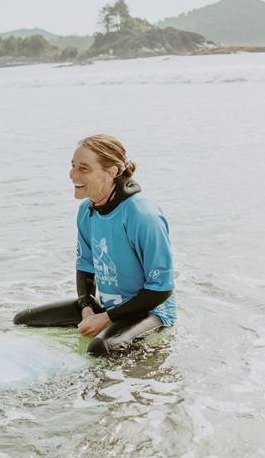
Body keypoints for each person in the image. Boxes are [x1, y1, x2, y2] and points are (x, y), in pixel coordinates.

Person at [14, 134, 176, 355]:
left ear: (112, 172)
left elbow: (162, 289)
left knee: (101, 348)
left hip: (151, 312)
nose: (72, 175)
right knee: (24, 320)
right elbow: (86, 265)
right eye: (72, 166)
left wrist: (107, 318)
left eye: (84, 169)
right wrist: (87, 309)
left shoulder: (142, 214)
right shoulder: (87, 210)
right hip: (109, 307)